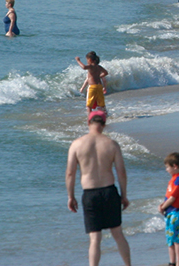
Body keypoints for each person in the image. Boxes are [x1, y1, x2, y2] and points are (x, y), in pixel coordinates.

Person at [66, 110, 131, 266]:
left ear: (89, 123)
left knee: (95, 238)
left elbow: (70, 173)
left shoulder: (76, 144)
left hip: (90, 193)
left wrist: (71, 196)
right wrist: (124, 195)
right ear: (104, 124)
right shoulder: (111, 144)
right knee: (118, 234)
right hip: (109, 191)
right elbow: (121, 172)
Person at [158, 152, 179, 266]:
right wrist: (163, 205)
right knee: (170, 240)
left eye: (167, 167)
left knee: (176, 240)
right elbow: (169, 196)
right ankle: (172, 262)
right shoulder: (174, 179)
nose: (166, 170)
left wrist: (162, 207)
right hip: (170, 213)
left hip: (175, 213)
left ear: (175, 166)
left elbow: (173, 198)